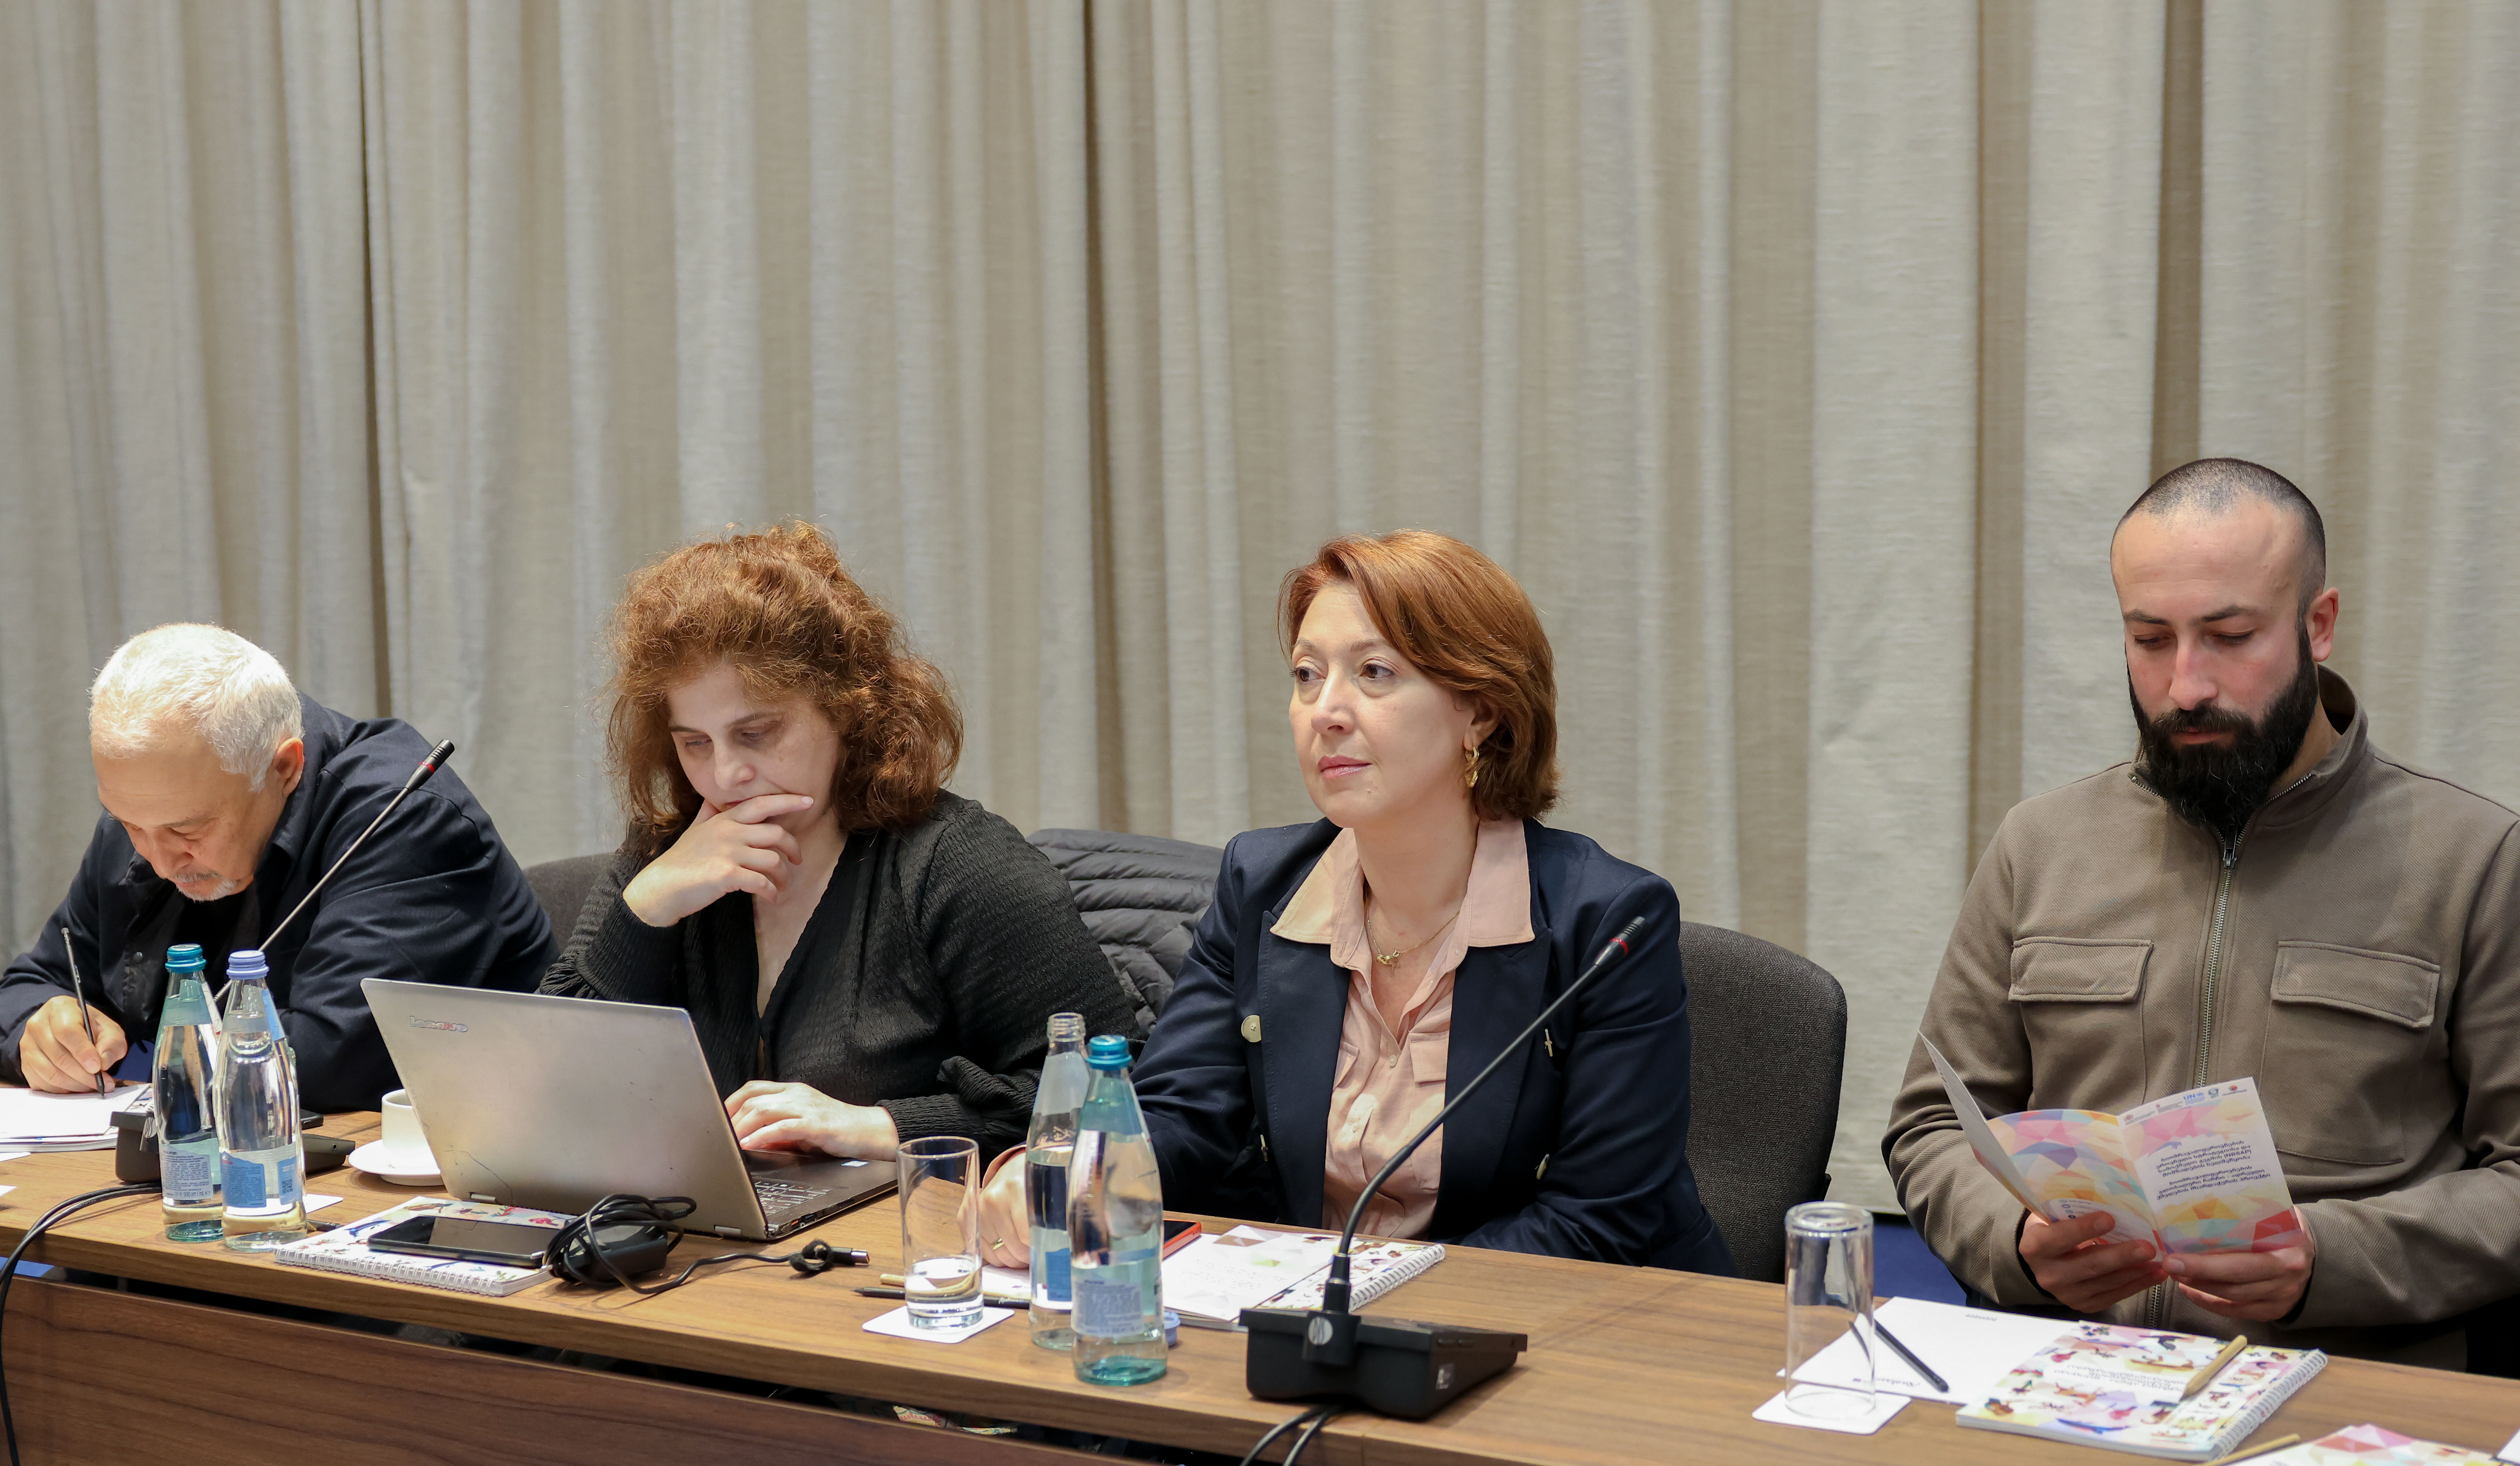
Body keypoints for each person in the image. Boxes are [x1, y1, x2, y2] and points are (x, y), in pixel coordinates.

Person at [1886, 459, 2520, 1368]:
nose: (2186, 685)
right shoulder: (2041, 844)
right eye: (2150, 639)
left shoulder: (2473, 859)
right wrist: (2014, 1243)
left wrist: (2329, 1259)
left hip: (2344, 1390)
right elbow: (1931, 1128)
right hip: (2070, 1376)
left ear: (2318, 625)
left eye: (2229, 636)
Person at [982, 530, 1736, 1274]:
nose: (1326, 711)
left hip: (1577, 1323)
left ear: (1481, 712)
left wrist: (1366, 1297)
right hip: (1328, 1317)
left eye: (1375, 672)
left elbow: (1594, 1223)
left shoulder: (1607, 922)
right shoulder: (1264, 885)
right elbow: (1185, 1114)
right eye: (1307, 675)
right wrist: (1076, 1171)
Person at [539, 522, 1133, 1164]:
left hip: (904, 1222)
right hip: (709, 1226)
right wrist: (646, 906)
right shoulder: (666, 856)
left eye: (756, 734)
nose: (725, 775)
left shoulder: (959, 863)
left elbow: (1113, 1097)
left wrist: (882, 1126)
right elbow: (545, 1090)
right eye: (695, 743)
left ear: (846, 710)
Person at [0, 624, 553, 1113]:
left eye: (188, 832)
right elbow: (27, 987)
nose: (159, 860)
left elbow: (329, 1057)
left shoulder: (404, 817)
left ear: (283, 767)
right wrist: (40, 1033)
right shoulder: (150, 811)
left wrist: (153, 1061)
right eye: (130, 824)